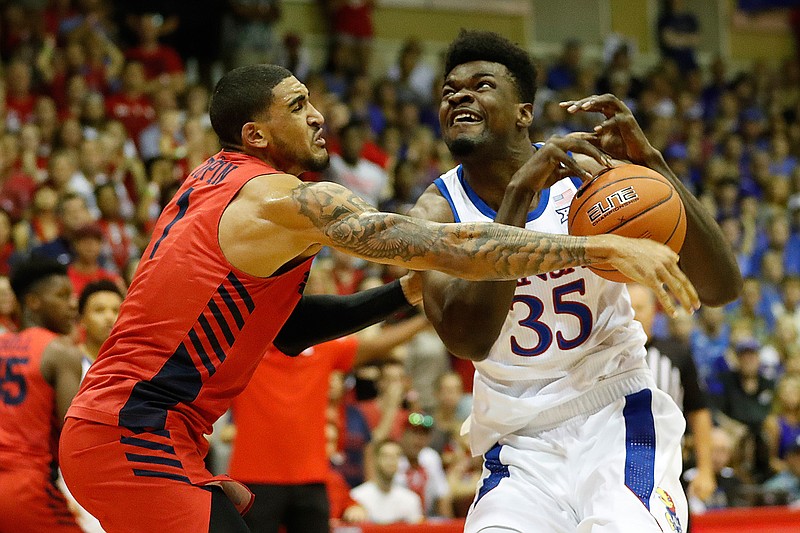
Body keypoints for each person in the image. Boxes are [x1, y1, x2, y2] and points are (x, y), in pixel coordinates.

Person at [59, 63, 699, 532]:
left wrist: (400, 294)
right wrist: (597, 251)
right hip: (132, 431)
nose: (317, 114)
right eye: (298, 104)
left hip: (139, 431)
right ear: (256, 134)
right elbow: (449, 245)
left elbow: (289, 329)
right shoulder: (282, 199)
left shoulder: (210, 184)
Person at [407, 30, 740, 533]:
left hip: (617, 415)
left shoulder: (585, 174)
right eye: (449, 90)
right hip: (519, 443)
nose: (459, 96)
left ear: (523, 112)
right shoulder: (436, 213)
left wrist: (652, 165)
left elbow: (721, 287)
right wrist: (518, 195)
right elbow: (467, 338)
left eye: (480, 85)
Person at [0, 257, 84, 533]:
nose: (73, 304)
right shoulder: (60, 352)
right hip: (27, 485)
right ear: (33, 302)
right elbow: (73, 436)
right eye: (62, 296)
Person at [629, 283, 717, 512]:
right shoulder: (602, 355)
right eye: (627, 307)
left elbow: (698, 411)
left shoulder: (677, 354)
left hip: (668, 469)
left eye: (639, 307)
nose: (633, 314)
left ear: (654, 311)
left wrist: (705, 470)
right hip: (615, 467)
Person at [350, 439, 424, 525]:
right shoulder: (357, 497)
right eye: (386, 456)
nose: (391, 461)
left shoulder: (411, 500)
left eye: (396, 456)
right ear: (375, 459)